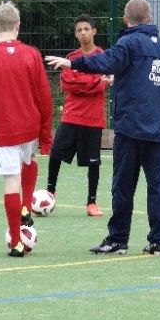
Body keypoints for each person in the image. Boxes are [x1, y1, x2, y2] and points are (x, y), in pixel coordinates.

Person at [46, 0, 160, 256]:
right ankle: (158, 241)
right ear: (149, 19)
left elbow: (105, 61)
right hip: (159, 128)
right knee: (159, 186)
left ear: (126, 19)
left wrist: (73, 63)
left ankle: (118, 239)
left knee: (123, 185)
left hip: (131, 128)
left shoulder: (128, 42)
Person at [0, 1, 53, 257]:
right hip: (31, 126)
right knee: (30, 159)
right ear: (18, 26)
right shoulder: (32, 54)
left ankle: (16, 243)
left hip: (6, 131)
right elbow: (45, 98)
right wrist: (45, 136)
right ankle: (26, 205)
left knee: (11, 181)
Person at [46, 15, 112, 217]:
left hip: (93, 118)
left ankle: (91, 202)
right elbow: (66, 83)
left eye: (86, 29)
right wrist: (92, 82)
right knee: (56, 152)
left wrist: (84, 83)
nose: (83, 33)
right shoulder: (71, 58)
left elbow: (101, 85)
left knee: (93, 162)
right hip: (71, 115)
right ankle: (50, 192)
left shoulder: (102, 57)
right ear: (76, 34)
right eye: (79, 30)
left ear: (94, 31)